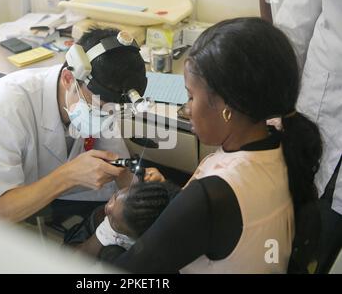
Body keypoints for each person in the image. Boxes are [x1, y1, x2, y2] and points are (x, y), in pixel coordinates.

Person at [99, 18, 323, 274]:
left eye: (191, 96)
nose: (185, 109)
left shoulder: (213, 197)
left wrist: (109, 244)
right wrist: (173, 194)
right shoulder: (279, 146)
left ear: (227, 107)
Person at [0, 28, 147, 223]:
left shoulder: (99, 98)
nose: (105, 117)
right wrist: (69, 175)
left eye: (113, 110)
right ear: (69, 79)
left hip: (28, 200)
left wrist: (138, 185)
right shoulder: (3, 109)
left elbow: (116, 164)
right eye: (98, 107)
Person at [261, 0, 342, 273]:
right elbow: (294, 25)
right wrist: (267, 101)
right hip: (318, 110)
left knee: (321, 249)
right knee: (284, 233)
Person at [73, 181, 180, 259]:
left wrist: (105, 232)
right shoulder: (171, 201)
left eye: (114, 221)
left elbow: (74, 259)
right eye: (116, 196)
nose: (108, 208)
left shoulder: (114, 244)